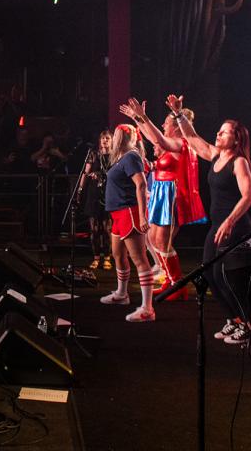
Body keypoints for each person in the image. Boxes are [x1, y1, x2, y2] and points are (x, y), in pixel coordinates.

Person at [166, 95, 251, 346]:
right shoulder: (216, 155)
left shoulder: (239, 162)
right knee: (209, 274)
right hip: (217, 226)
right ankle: (233, 320)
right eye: (219, 130)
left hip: (235, 228)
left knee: (225, 277)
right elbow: (192, 137)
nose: (218, 134)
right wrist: (178, 114)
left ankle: (247, 325)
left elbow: (249, 196)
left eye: (224, 132)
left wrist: (229, 222)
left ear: (236, 139)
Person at [120, 98, 207, 296]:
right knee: (152, 238)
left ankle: (178, 285)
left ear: (176, 127)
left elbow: (157, 139)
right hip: (161, 192)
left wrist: (142, 116)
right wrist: (137, 118)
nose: (162, 125)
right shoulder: (170, 143)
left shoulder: (180, 143)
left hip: (171, 195)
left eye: (166, 123)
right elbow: (154, 138)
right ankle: (169, 280)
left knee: (162, 241)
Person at [98, 125, 159, 321]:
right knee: (118, 254)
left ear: (125, 137)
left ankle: (147, 308)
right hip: (118, 213)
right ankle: (122, 294)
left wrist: (142, 216)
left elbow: (141, 185)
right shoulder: (121, 158)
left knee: (139, 259)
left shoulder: (131, 156)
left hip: (129, 212)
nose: (114, 137)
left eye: (117, 134)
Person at [79, 130, 114, 271]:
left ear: (112, 140)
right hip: (94, 193)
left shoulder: (115, 155)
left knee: (107, 228)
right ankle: (96, 257)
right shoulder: (93, 154)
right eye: (103, 138)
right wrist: (80, 189)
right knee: (94, 229)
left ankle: (107, 257)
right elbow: (85, 172)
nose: (105, 140)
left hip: (108, 193)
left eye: (107, 138)